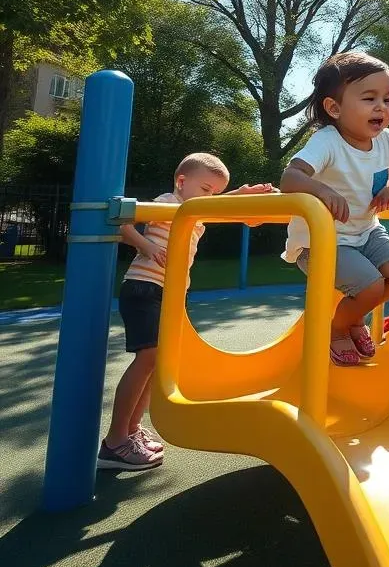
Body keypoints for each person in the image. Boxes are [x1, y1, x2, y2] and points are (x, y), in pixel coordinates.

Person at [98, 154, 274, 471]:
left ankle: (132, 431)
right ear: (181, 182)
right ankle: (114, 441)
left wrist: (240, 199)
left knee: (158, 363)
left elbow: (213, 211)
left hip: (168, 293)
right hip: (144, 288)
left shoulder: (194, 213)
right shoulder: (168, 203)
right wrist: (145, 246)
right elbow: (123, 222)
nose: (210, 199)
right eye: (205, 189)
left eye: (215, 194)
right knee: (149, 358)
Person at [280, 52, 389, 366]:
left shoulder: (385, 140)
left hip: (366, 232)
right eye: (369, 98)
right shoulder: (328, 142)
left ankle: (353, 320)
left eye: (387, 98)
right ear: (334, 108)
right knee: (371, 286)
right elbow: (291, 177)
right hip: (321, 242)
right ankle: (338, 329)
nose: (381, 107)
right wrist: (322, 190)